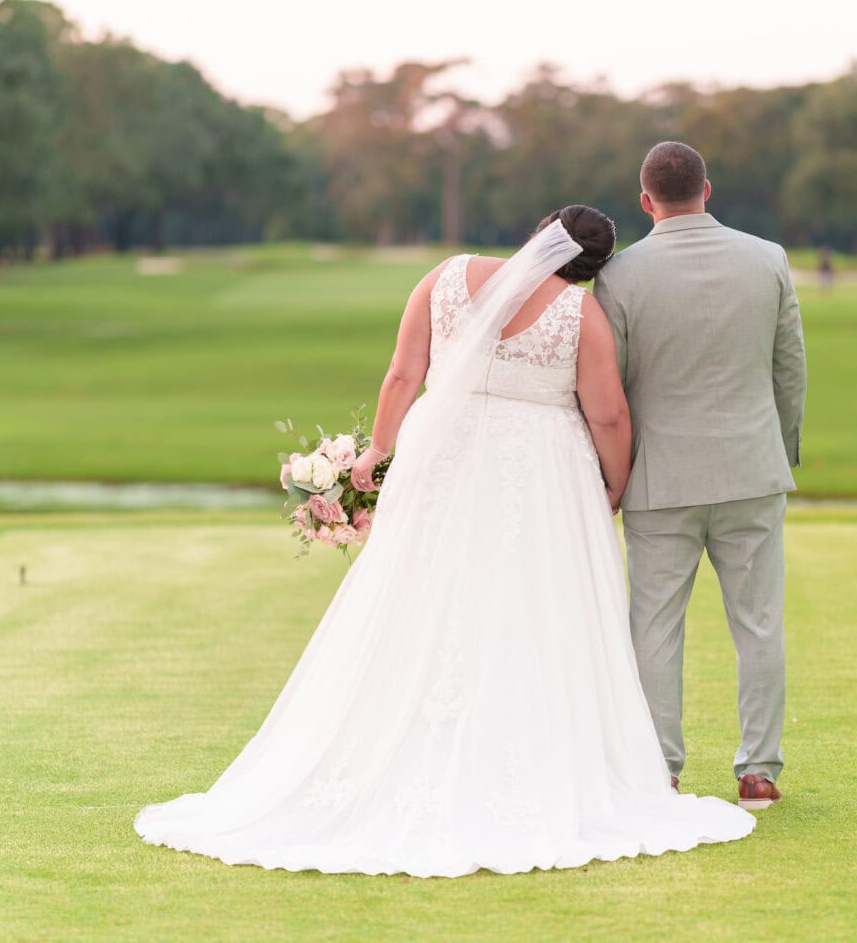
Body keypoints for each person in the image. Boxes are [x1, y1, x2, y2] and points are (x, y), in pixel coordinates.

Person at [135, 206, 754, 878]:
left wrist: (376, 450)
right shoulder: (583, 318)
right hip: (541, 474)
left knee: (419, 592)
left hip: (444, 454)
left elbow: (403, 374)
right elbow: (608, 413)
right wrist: (613, 485)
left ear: (541, 230)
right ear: (594, 268)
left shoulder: (446, 277)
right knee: (527, 608)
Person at [595, 142, 807, 811]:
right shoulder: (767, 259)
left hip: (660, 480)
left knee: (654, 627)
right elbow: (789, 369)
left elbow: (612, 390)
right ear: (707, 189)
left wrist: (613, 478)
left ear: (645, 200)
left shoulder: (620, 276)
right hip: (751, 468)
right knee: (759, 625)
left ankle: (661, 771)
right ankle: (759, 773)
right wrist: (783, 450)